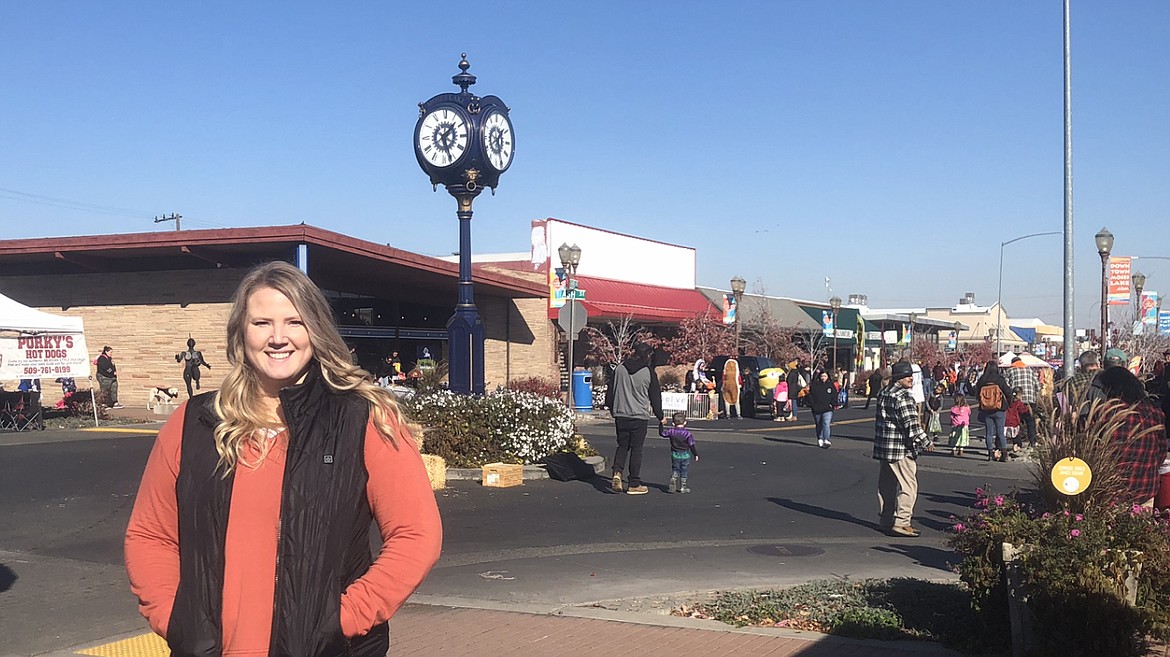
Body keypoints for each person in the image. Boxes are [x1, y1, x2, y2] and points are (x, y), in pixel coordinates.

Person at [124, 261, 442, 656]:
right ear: (241, 332)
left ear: (316, 329)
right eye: (262, 323)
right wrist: (173, 617)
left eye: (294, 322)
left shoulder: (364, 419)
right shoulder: (193, 423)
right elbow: (149, 535)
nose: (278, 338)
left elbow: (417, 536)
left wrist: (342, 619)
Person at [873, 361, 933, 537]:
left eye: (911, 375)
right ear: (899, 378)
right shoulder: (904, 397)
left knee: (887, 485)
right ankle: (902, 522)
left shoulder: (883, 393)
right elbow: (911, 425)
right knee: (909, 486)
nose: (911, 379)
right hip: (900, 448)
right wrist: (926, 442)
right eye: (907, 376)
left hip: (884, 446)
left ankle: (886, 520)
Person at [1095, 366, 1168, 507]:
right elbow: (1161, 452)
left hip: (1110, 491)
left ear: (1111, 388)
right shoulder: (1154, 411)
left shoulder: (1106, 412)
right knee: (1141, 527)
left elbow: (1092, 449)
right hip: (1145, 488)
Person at [604, 341, 663, 495]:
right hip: (639, 416)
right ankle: (634, 483)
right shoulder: (648, 372)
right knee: (636, 449)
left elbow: (610, 391)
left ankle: (617, 472)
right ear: (647, 355)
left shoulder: (619, 369)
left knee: (622, 445)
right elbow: (655, 396)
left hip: (621, 414)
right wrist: (660, 416)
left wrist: (611, 408)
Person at [974, 361, 1013, 461]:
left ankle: (990, 453)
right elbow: (1008, 392)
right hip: (999, 408)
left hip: (986, 409)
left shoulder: (983, 379)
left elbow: (976, 393)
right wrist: (1009, 402)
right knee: (1000, 432)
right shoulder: (999, 379)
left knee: (989, 433)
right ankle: (1004, 453)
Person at [659, 411, 699, 494]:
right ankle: (683, 487)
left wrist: (661, 425)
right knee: (684, 470)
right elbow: (691, 445)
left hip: (675, 454)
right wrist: (695, 454)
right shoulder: (687, 434)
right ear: (685, 422)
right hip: (685, 454)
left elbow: (662, 434)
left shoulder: (671, 432)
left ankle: (674, 477)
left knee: (675, 468)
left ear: (673, 423)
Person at [1003, 356, 1039, 447]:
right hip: (1030, 401)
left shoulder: (1010, 371)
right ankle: (1033, 441)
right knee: (1030, 422)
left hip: (1016, 401)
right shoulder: (1030, 371)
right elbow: (1038, 386)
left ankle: (1017, 443)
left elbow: (1006, 387)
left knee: (1015, 422)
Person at [807, 370, 839, 449]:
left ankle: (826, 439)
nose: (823, 378)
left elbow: (834, 395)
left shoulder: (830, 385)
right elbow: (810, 396)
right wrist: (813, 405)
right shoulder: (815, 385)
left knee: (826, 423)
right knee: (819, 424)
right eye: (822, 376)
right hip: (817, 408)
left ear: (827, 376)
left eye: (825, 376)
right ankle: (820, 438)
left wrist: (834, 404)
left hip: (828, 408)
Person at [1005, 387, 1032, 455]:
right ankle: (1016, 445)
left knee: (1004, 434)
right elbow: (1022, 410)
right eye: (1020, 395)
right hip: (1014, 421)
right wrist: (1027, 408)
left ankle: (1001, 446)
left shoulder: (1008, 401)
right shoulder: (1018, 403)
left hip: (1006, 420)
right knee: (1016, 434)